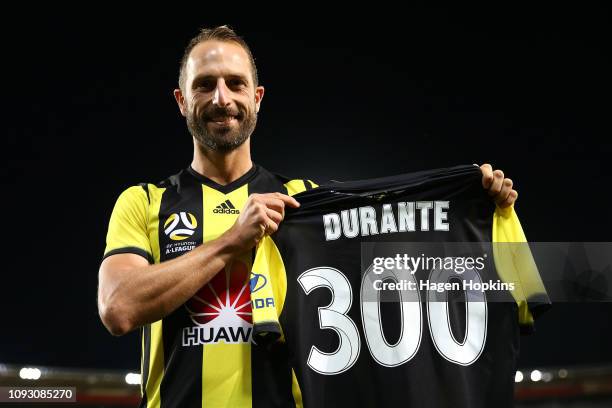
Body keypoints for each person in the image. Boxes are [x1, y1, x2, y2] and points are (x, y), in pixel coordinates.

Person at [97, 25, 518, 408]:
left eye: (236, 84)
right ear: (182, 100)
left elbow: (398, 257)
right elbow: (118, 308)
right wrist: (231, 241)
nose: (221, 98)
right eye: (205, 85)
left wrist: (472, 209)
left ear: (256, 99)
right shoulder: (144, 202)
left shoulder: (304, 201)